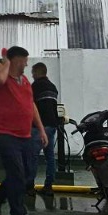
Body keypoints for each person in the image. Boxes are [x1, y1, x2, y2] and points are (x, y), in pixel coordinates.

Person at [0, 46, 50, 215]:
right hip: (5, 134)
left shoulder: (25, 82)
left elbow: (31, 106)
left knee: (26, 174)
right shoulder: (0, 78)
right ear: (15, 60)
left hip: (25, 135)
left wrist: (41, 129)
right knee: (17, 174)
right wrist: (6, 62)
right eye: (24, 60)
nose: (27, 63)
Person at [30, 63, 65, 192]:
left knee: (32, 156)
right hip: (52, 126)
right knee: (49, 156)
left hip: (39, 127)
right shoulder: (53, 87)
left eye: (33, 72)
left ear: (38, 73)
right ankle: (48, 186)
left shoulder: (35, 87)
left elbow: (31, 108)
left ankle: (29, 187)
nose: (32, 75)